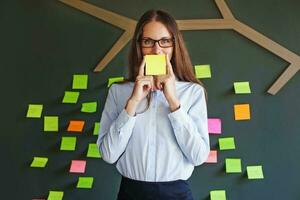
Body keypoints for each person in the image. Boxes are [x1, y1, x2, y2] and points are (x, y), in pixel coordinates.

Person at [97, 9, 210, 200]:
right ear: (139, 46)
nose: (157, 50)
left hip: (177, 194)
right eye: (148, 42)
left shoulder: (192, 92)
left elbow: (198, 157)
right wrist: (132, 103)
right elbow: (108, 154)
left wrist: (174, 101)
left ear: (175, 45)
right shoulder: (118, 92)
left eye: (165, 41)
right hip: (130, 193)